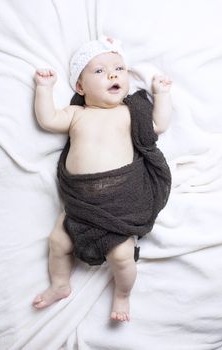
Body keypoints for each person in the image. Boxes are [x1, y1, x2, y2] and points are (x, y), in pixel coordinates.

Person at [32, 36, 172, 322]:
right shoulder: (76, 114)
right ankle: (60, 284)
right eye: (99, 71)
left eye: (119, 69)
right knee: (57, 241)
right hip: (81, 204)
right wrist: (43, 88)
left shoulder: (130, 112)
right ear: (80, 87)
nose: (112, 74)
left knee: (121, 258)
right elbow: (47, 120)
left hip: (119, 204)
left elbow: (158, 126)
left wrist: (161, 95)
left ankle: (122, 294)